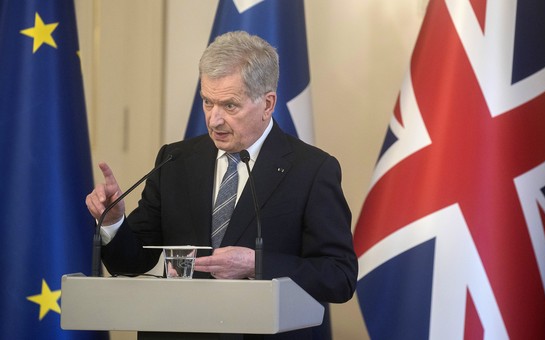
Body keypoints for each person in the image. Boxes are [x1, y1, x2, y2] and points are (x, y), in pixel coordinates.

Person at [86, 31, 358, 339]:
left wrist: (256, 264)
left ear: (267, 104)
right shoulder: (174, 160)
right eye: (207, 102)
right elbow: (133, 261)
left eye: (229, 106)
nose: (214, 120)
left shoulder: (311, 170)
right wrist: (113, 223)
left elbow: (339, 277)